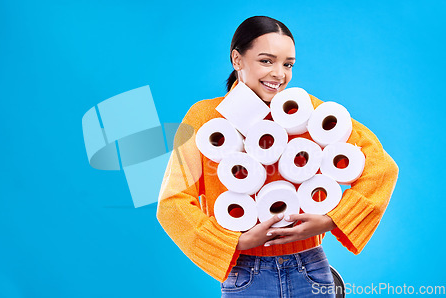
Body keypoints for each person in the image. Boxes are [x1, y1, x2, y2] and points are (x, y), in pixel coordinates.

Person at [157, 16, 399, 297]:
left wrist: (333, 219)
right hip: (245, 273)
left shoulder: (309, 113)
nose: (279, 74)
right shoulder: (207, 119)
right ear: (237, 59)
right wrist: (236, 242)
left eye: (288, 64)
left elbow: (381, 166)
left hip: (310, 267)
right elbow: (172, 202)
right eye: (266, 61)